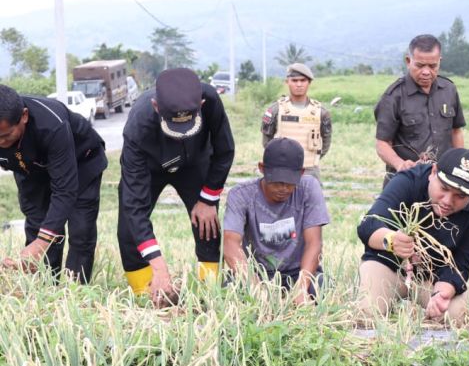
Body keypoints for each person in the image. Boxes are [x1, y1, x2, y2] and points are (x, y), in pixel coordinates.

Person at [117, 68, 235, 305]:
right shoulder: (137, 126)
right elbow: (134, 206)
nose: (180, 135)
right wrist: (159, 266)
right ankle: (145, 293)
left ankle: (210, 289)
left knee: (207, 224)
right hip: (149, 168)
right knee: (128, 227)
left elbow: (224, 151)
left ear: (200, 104)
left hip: (194, 165)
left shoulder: (211, 100)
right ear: (156, 107)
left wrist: (208, 199)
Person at [357, 148, 469, 324]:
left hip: (431, 278)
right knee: (367, 313)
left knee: (457, 316)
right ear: (433, 172)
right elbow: (368, 225)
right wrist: (391, 241)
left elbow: (461, 265)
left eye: (460, 196)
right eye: (444, 188)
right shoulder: (408, 181)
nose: (447, 201)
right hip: (389, 266)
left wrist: (443, 292)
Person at [0, 85, 107, 282]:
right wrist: (39, 240)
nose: (0, 143)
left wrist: (42, 242)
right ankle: (47, 284)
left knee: (80, 229)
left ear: (24, 116)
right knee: (38, 222)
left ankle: (76, 290)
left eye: (5, 136)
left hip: (80, 162)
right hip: (31, 169)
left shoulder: (51, 124)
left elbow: (65, 190)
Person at [222, 138, 330, 303]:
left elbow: (314, 243)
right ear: (262, 169)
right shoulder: (241, 195)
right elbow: (230, 245)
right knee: (228, 292)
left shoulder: (309, 188)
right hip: (257, 272)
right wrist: (254, 286)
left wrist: (301, 287)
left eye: (289, 183)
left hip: (295, 272)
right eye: (277, 182)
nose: (283, 189)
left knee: (323, 286)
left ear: (301, 173)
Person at [374, 34, 465, 186]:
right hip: (405, 182)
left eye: (432, 66)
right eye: (420, 65)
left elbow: (456, 131)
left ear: (439, 62)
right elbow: (382, 143)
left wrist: (459, 164)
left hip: (443, 182)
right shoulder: (393, 96)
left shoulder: (449, 90)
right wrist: (400, 164)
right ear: (408, 61)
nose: (426, 72)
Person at [261, 63, 332, 181]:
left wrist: (311, 158)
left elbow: (326, 142)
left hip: (310, 171)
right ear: (287, 82)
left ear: (309, 82)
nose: (299, 84)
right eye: (294, 80)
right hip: (281, 170)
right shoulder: (275, 110)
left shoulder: (321, 112)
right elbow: (266, 142)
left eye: (303, 80)